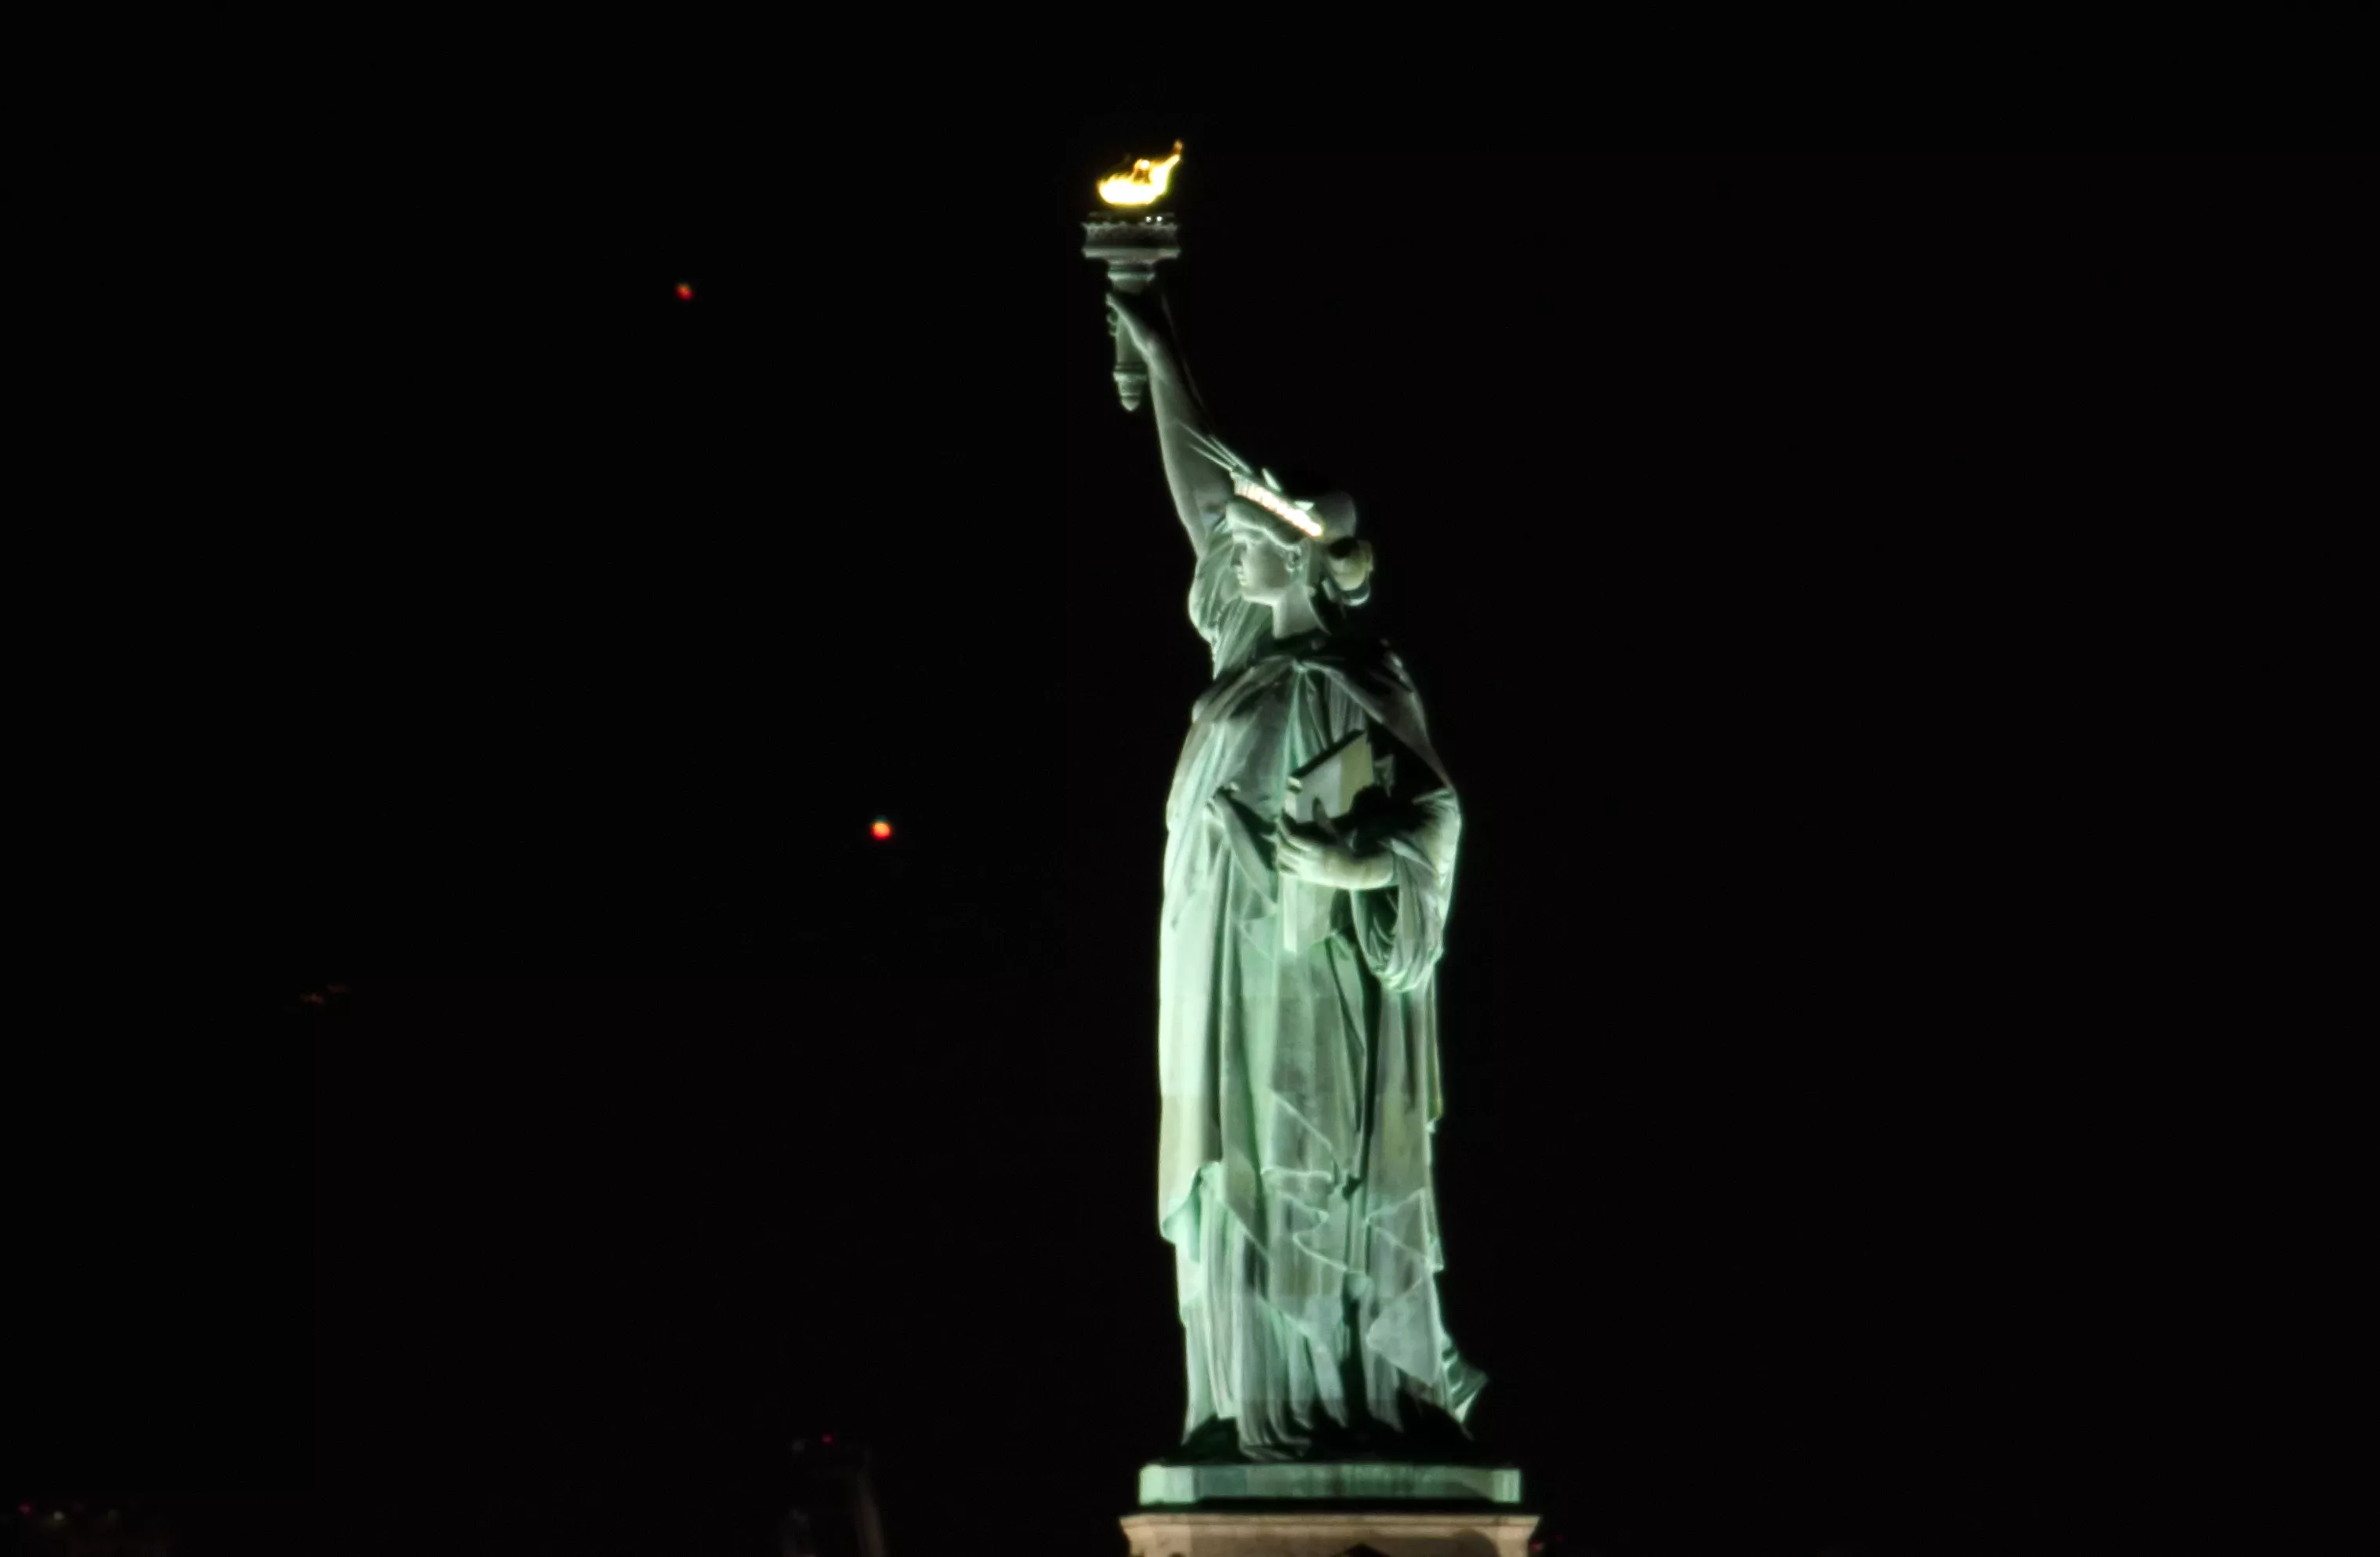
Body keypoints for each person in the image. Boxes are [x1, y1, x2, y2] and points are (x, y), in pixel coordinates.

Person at [1108, 291, 1486, 1464]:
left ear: (1303, 563)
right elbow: (1197, 493)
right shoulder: (1242, 657)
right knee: (1239, 1166)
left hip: (1320, 974)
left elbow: (1438, 813)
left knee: (1310, 1158)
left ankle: (1349, 1393)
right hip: (1223, 959)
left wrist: (1348, 856)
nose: (1228, 538)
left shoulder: (1359, 672)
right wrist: (1159, 344)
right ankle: (1253, 1394)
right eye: (1232, 535)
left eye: (1251, 534)